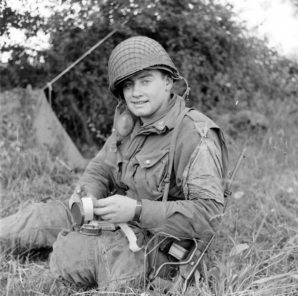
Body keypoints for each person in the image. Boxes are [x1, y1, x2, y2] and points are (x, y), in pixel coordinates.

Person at [0, 36, 228, 290]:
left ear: (167, 82)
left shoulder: (194, 134)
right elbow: (100, 169)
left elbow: (210, 214)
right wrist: (85, 197)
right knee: (36, 218)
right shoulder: (129, 124)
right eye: (129, 85)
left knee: (93, 257)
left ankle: (66, 256)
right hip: (111, 217)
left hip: (154, 239)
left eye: (145, 81)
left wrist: (137, 210)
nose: (136, 93)